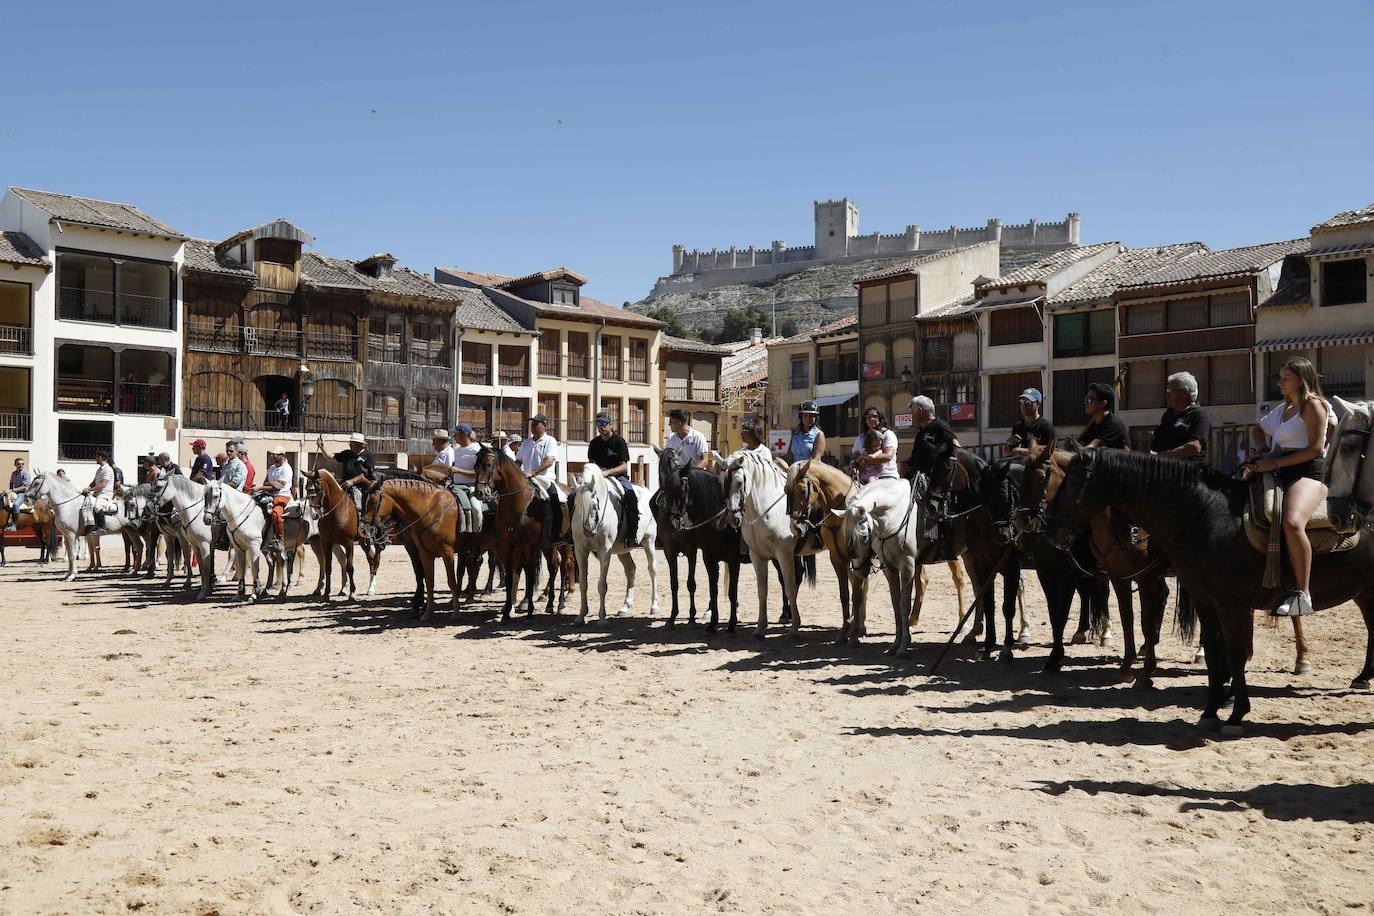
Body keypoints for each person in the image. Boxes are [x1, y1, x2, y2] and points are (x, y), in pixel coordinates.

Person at [1244, 357, 1330, 618]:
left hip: (1309, 473)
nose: (1280, 382)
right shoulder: (1284, 408)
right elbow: (1258, 429)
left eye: (1286, 378)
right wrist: (1262, 452)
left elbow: (1315, 448)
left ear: (1301, 379)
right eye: (1279, 378)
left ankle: (1304, 594)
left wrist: (1275, 462)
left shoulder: (1313, 405)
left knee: (1292, 522)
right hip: (1279, 468)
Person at [584, 411, 638, 547]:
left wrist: (607, 472)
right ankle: (574, 532)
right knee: (576, 495)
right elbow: (591, 463)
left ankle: (632, 534)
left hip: (618, 477)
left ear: (610, 424)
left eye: (603, 424)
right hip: (597, 478)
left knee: (631, 497)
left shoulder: (619, 442)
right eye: (598, 424)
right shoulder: (594, 443)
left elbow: (624, 467)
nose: (601, 427)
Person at [518, 414, 562, 541]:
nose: (533, 426)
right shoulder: (526, 442)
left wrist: (533, 472)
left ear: (545, 426)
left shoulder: (550, 441)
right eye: (532, 424)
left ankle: (556, 532)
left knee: (553, 500)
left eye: (536, 424)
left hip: (545, 479)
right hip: (526, 479)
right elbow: (518, 461)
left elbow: (549, 461)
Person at [1150, 372, 1211, 462]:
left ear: (1184, 393)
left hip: (1186, 472)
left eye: (1170, 392)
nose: (1167, 395)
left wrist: (1162, 457)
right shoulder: (1168, 415)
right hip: (1163, 471)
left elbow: (1194, 447)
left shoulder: (1199, 415)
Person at [316, 432, 375, 519]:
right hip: (345, 487)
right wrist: (322, 447)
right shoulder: (347, 454)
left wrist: (353, 481)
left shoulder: (368, 456)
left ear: (360, 445)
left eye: (353, 443)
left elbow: (368, 474)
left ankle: (361, 523)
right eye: (350, 443)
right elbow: (331, 457)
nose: (350, 445)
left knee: (359, 509)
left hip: (360, 489)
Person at [905, 396, 961, 480]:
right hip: (917, 476)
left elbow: (956, 447)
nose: (912, 414)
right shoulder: (922, 430)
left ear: (920, 411)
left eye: (912, 411)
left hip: (933, 480)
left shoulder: (941, 426)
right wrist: (907, 463)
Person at [255, 447, 294, 548]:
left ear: (282, 455)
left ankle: (280, 539)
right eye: (272, 454)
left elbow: (277, 488)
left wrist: (260, 487)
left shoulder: (287, 469)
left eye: (275, 454)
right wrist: (270, 484)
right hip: (270, 494)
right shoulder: (272, 468)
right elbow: (267, 483)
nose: (273, 456)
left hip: (283, 495)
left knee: (276, 514)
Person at [851, 406, 900, 481]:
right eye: (868, 417)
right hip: (863, 476)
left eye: (874, 416)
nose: (871, 419)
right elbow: (855, 457)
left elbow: (888, 456)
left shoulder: (888, 434)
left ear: (880, 418)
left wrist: (864, 458)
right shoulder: (861, 437)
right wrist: (855, 466)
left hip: (886, 475)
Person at [1079, 383, 1130, 449]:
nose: (1085, 402)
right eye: (1086, 399)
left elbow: (1090, 448)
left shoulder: (1113, 425)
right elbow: (1081, 444)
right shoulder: (1094, 424)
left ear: (1102, 404)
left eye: (1089, 400)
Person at [1007, 388, 1055, 455]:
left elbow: (1050, 452)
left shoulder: (1046, 427)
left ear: (1038, 403)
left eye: (1028, 402)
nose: (1023, 405)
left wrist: (1027, 452)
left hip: (1037, 464)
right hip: (1017, 463)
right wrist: (1009, 444)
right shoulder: (1017, 427)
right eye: (1021, 402)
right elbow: (1008, 453)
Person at [5, 457, 30, 528]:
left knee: (15, 504)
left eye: (22, 464)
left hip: (24, 493)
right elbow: (11, 482)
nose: (21, 465)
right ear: (15, 465)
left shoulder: (26, 473)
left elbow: (25, 487)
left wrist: (11, 490)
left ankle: (14, 523)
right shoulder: (13, 473)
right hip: (15, 492)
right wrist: (9, 492)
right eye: (19, 464)